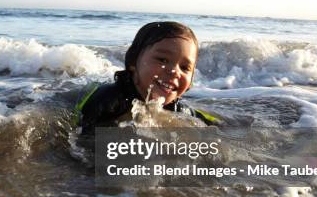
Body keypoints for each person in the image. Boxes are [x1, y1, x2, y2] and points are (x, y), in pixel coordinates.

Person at [75, 21, 218, 133]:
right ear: (133, 62)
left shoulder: (180, 110)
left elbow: (210, 126)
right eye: (163, 60)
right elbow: (82, 140)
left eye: (185, 68)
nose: (175, 71)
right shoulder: (110, 99)